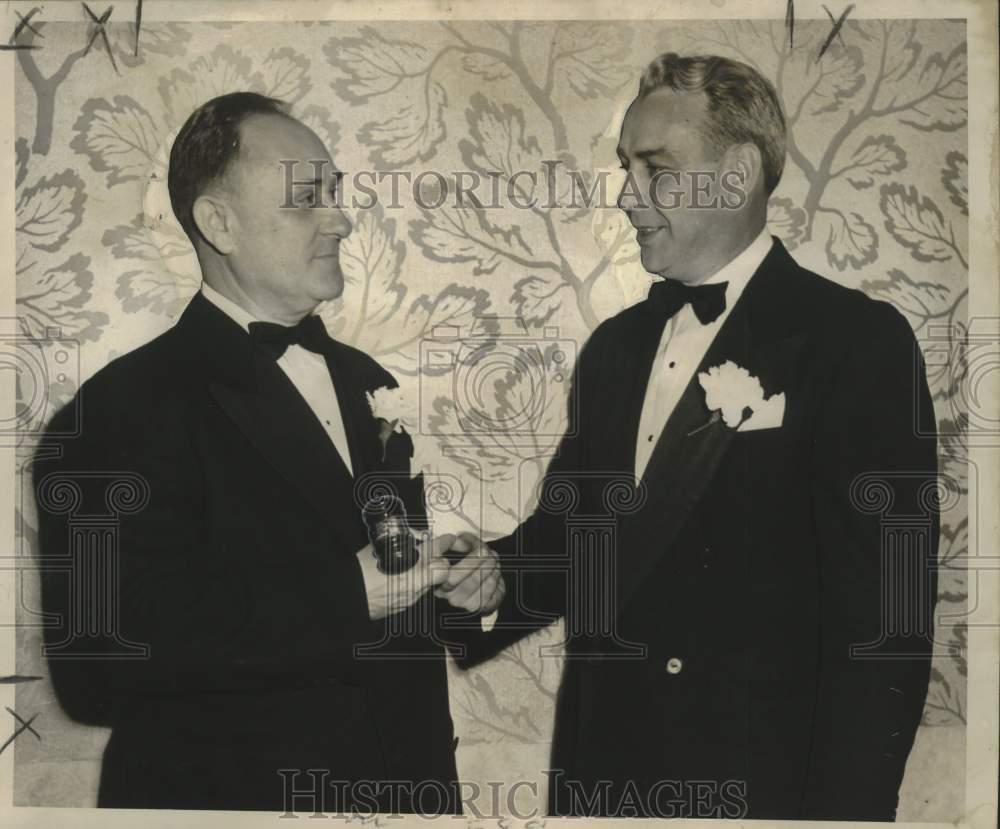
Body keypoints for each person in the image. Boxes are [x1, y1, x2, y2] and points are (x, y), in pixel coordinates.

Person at [466, 53, 939, 821]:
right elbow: (576, 540)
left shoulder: (854, 341)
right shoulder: (616, 347)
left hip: (757, 790)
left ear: (740, 171)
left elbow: (887, 625)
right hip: (604, 776)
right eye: (626, 168)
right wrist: (483, 579)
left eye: (655, 168)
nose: (627, 196)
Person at [33, 91, 503, 813]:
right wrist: (345, 595)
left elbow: (372, 570)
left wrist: (450, 583)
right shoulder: (114, 412)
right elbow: (95, 664)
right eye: (306, 199)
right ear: (218, 223)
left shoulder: (363, 379)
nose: (342, 219)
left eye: (336, 195)